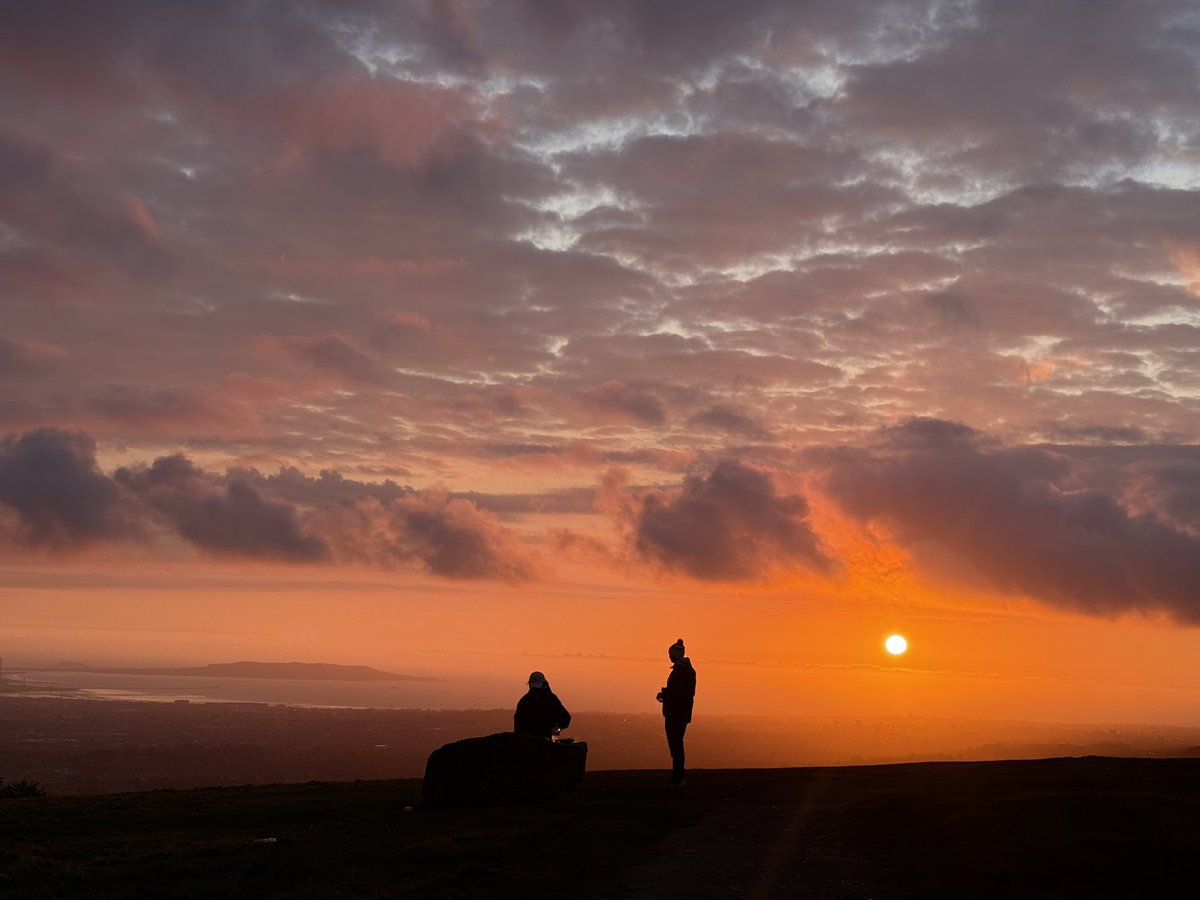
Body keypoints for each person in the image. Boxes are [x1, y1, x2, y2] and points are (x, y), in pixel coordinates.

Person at [656, 638, 696, 787]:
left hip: (675, 714)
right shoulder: (689, 671)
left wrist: (664, 695)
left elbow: (678, 693)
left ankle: (677, 777)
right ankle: (678, 776)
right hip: (683, 713)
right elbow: (686, 693)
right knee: (677, 744)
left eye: (670, 654)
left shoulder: (680, 672)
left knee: (675, 745)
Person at [513, 671, 571, 739]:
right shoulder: (551, 699)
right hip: (545, 742)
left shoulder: (523, 701)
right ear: (544, 685)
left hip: (526, 743)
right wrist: (557, 727)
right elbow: (566, 718)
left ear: (529, 684)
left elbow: (517, 726)